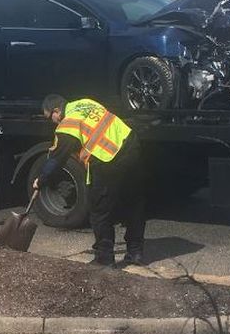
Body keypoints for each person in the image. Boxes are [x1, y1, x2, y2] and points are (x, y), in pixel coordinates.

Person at [33, 94, 146, 268]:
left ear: (57, 111)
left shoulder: (69, 123)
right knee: (133, 202)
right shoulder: (86, 102)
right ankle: (135, 252)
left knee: (99, 210)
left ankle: (104, 258)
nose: (53, 122)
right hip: (132, 147)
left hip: (108, 159)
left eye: (51, 118)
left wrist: (41, 180)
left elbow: (57, 159)